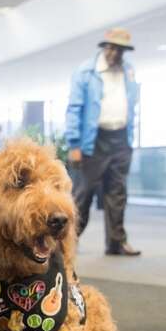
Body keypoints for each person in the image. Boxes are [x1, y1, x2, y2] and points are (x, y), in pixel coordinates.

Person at [65, 27, 141, 256]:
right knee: (83, 194)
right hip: (93, 141)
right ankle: (68, 242)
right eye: (113, 48)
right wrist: (74, 144)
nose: (116, 54)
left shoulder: (128, 71)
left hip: (120, 139)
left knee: (117, 193)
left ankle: (116, 242)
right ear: (105, 47)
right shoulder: (86, 72)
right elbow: (74, 109)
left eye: (121, 50)